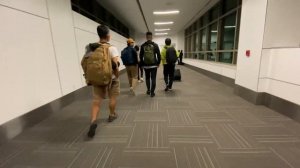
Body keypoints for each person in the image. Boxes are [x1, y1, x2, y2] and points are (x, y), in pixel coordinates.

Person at [84, 25, 120, 138]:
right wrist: (117, 76)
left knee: (96, 102)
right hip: (111, 79)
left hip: (96, 79)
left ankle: (93, 121)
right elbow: (116, 65)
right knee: (112, 98)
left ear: (99, 35)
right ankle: (112, 114)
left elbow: (86, 63)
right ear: (108, 36)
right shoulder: (112, 48)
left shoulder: (90, 48)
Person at [140, 32, 161, 97]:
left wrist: (142, 64)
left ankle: (148, 90)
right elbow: (159, 55)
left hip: (146, 65)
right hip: (154, 65)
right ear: (151, 37)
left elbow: (141, 56)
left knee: (147, 78)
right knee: (153, 78)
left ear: (146, 37)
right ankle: (152, 92)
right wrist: (158, 63)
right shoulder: (155, 45)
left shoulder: (143, 45)